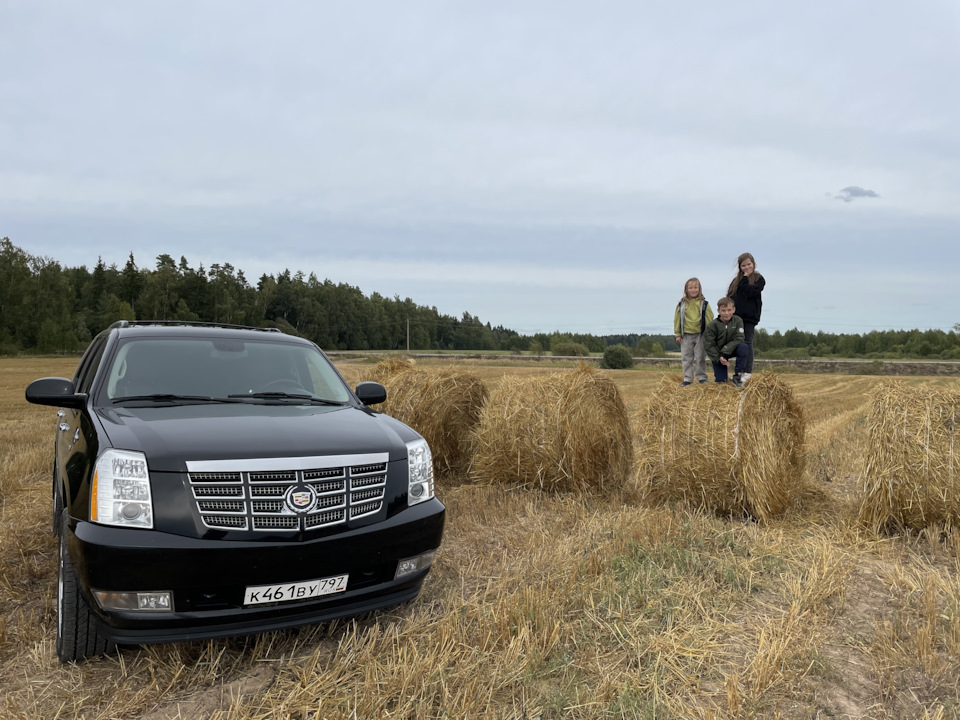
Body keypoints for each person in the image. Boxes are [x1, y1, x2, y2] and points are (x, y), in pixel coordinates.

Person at [726, 252, 765, 384]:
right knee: (739, 344)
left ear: (753, 264)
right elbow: (729, 296)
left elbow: (750, 292)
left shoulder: (759, 279)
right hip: (735, 318)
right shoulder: (735, 281)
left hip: (749, 318)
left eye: (749, 264)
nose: (747, 267)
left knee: (747, 343)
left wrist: (745, 278)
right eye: (744, 265)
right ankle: (738, 372)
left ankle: (747, 372)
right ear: (740, 267)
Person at [673, 277, 714, 386]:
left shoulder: (704, 304)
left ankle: (701, 377)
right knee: (686, 357)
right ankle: (688, 378)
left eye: (695, 287)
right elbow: (677, 319)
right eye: (690, 288)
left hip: (700, 334)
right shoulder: (681, 304)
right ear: (686, 290)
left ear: (699, 289)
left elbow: (710, 318)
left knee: (700, 356)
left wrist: (710, 334)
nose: (693, 290)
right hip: (686, 335)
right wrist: (678, 334)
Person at [703, 297, 750, 387]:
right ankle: (722, 377)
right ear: (718, 311)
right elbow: (708, 344)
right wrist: (719, 358)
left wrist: (724, 352)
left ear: (734, 310)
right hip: (718, 354)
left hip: (730, 350)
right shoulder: (712, 325)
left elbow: (739, 338)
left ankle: (737, 376)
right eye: (723, 310)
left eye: (729, 310)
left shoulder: (738, 320)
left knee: (744, 347)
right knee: (721, 383)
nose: (726, 313)